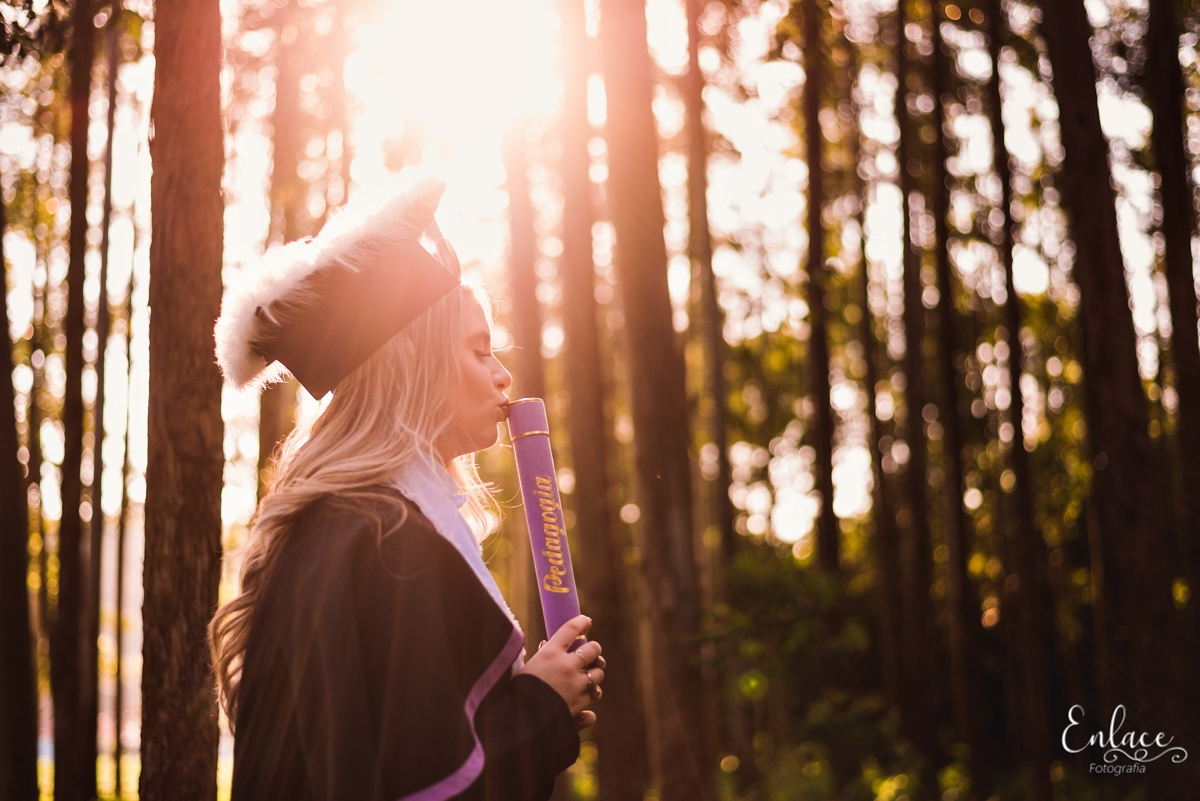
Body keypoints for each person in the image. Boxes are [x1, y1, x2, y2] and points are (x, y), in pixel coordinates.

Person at [208, 169, 604, 801]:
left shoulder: (334, 528)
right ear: (414, 366)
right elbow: (425, 783)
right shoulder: (391, 543)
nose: (504, 376)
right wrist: (541, 708)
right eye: (479, 351)